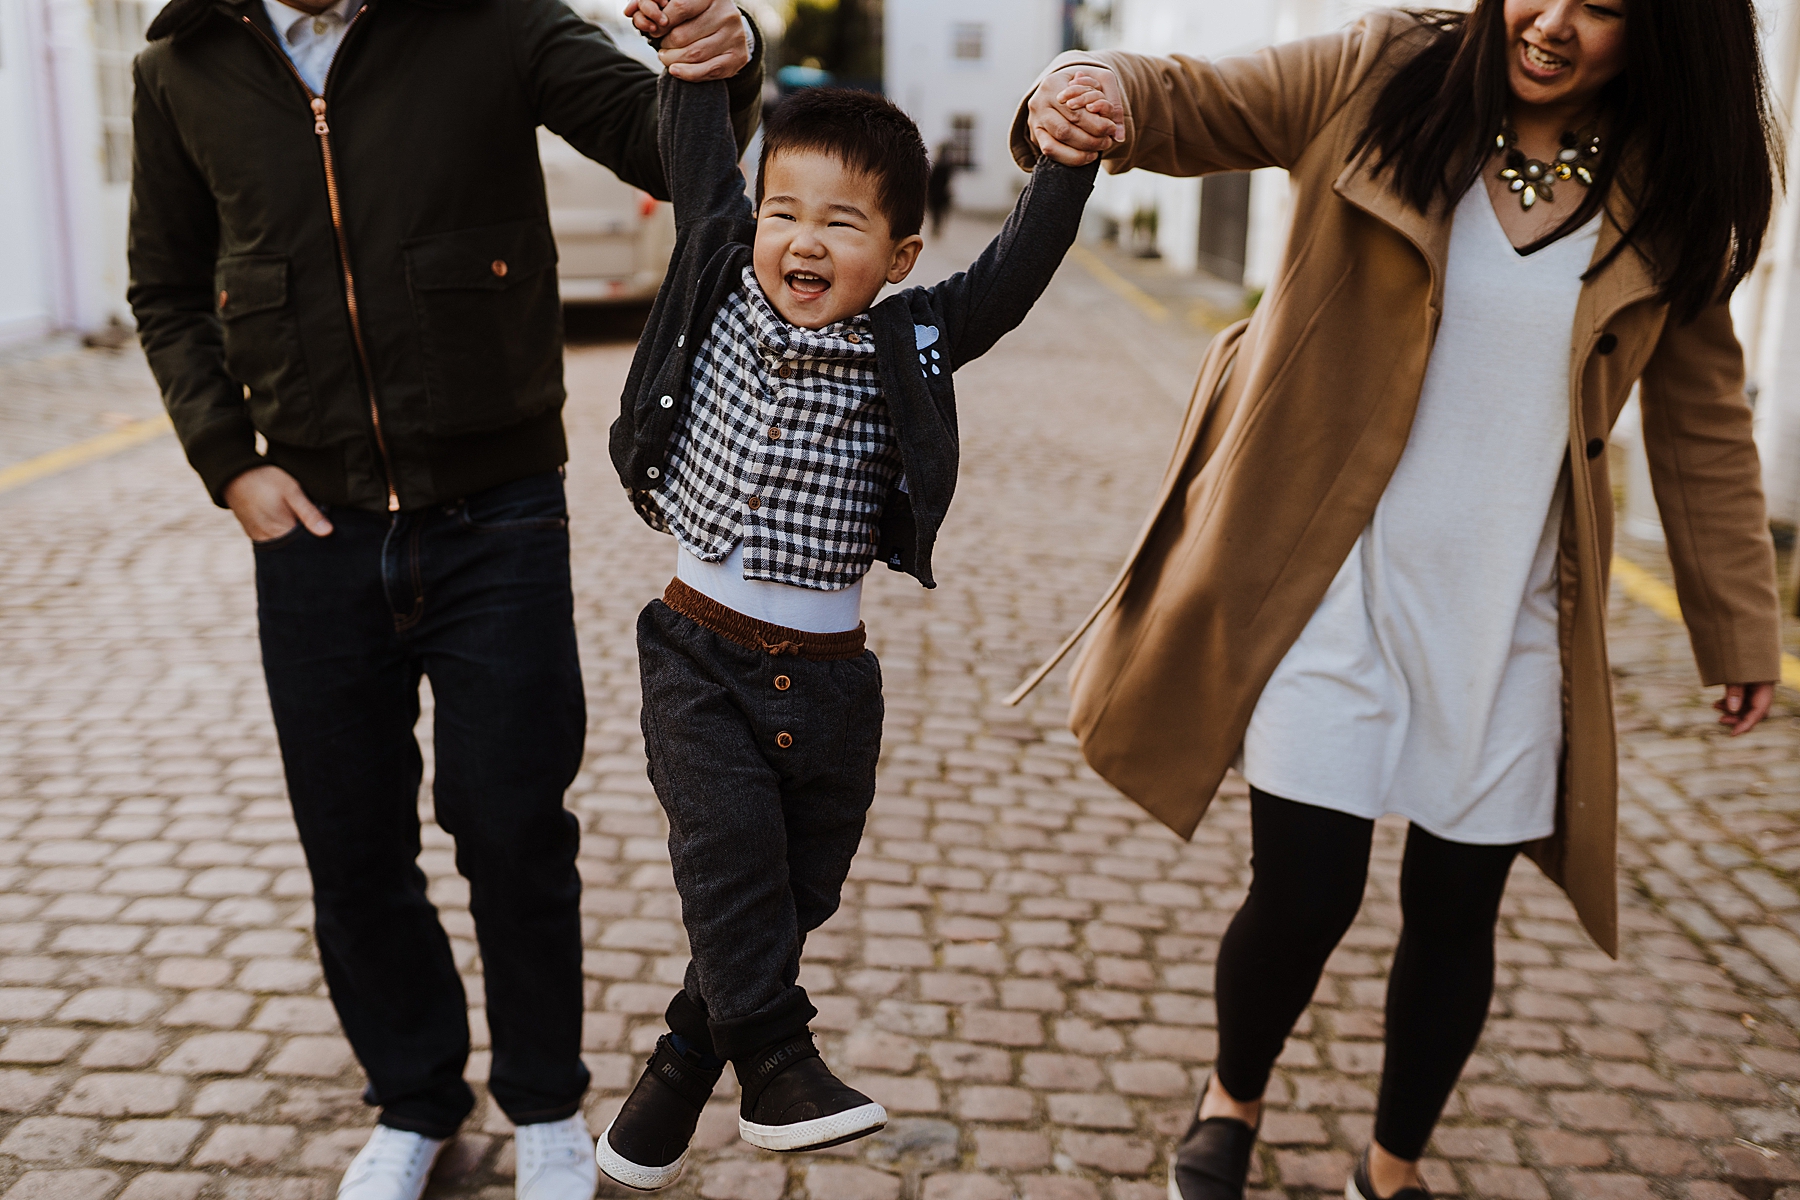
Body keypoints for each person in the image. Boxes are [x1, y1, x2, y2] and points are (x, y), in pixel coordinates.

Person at [1013, 2, 1783, 1198]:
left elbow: (1703, 419)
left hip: (1511, 615)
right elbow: (1203, 100)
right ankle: (1232, 1099)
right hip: (1333, 586)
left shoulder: (1672, 188)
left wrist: (1737, 624)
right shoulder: (1389, 74)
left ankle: (1394, 1162)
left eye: (1606, 9)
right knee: (1305, 890)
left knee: (1455, 910)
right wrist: (1093, 86)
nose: (1554, 23)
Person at [127, 3, 759, 1200]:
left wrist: (718, 61)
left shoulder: (490, 18)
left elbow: (658, 139)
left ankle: (544, 1105)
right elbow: (163, 286)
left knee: (515, 827)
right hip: (310, 527)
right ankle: (416, 1102)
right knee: (353, 847)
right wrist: (230, 461)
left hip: (499, 511)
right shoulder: (181, 65)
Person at [597, 66, 1113, 1189]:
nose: (802, 242)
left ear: (900, 255)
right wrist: (699, 66)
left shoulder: (914, 339)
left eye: (842, 223)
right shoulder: (722, 280)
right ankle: (779, 1063)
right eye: (784, 212)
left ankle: (685, 1061)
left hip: (831, 682)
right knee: (727, 853)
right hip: (696, 653)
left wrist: (1067, 166)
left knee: (794, 893)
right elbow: (697, 163)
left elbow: (1014, 278)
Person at [928, 143, 956, 236]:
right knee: (939, 213)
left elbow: (931, 180)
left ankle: (936, 228)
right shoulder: (948, 165)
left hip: (937, 193)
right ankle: (937, 228)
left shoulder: (938, 164)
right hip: (942, 193)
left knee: (936, 213)